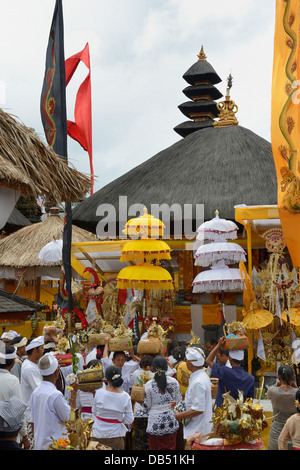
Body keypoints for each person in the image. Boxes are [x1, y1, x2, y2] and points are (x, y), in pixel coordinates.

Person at [30, 353, 79, 450]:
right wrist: (73, 393)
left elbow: (33, 422)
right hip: (54, 446)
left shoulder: (35, 393)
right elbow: (70, 419)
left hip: (40, 445)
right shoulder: (55, 395)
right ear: (57, 371)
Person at [173, 346, 212, 442]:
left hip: (197, 430)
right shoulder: (201, 376)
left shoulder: (198, 381)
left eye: (186, 360)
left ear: (190, 364)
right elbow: (194, 401)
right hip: (199, 428)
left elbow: (198, 409)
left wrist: (179, 416)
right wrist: (180, 403)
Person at [91, 365, 134, 450]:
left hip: (98, 434)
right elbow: (129, 420)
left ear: (106, 378)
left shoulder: (99, 393)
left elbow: (94, 412)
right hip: (116, 436)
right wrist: (118, 419)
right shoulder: (125, 396)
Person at [143, 356, 181, 451]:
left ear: (153, 367)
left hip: (155, 421)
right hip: (171, 420)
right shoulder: (174, 382)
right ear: (166, 367)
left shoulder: (149, 384)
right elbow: (178, 401)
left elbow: (147, 405)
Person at [206, 336, 255, 408]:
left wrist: (218, 345)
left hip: (223, 414)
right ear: (242, 359)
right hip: (240, 415)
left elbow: (208, 361)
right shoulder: (251, 378)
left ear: (230, 359)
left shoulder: (225, 371)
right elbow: (250, 401)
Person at [0, 343, 29, 449]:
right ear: (12, 364)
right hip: (9, 438)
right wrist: (25, 436)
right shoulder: (13, 381)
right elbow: (20, 411)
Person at [20, 336, 44, 448]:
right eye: (42, 348)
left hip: (33, 412)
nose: (43, 351)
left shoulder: (32, 364)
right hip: (30, 414)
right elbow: (40, 390)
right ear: (35, 350)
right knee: (32, 445)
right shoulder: (29, 368)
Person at [267, 364, 297, 450]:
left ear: (278, 377)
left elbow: (275, 387)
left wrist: (279, 383)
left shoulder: (272, 391)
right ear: (293, 378)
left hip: (276, 433)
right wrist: (294, 385)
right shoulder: (297, 393)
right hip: (293, 432)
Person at [131, 354, 154, 450]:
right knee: (149, 438)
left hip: (138, 408)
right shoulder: (154, 375)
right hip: (150, 409)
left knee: (138, 438)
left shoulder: (135, 373)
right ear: (149, 366)